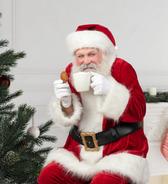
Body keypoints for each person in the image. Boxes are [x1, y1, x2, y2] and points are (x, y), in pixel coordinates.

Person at [37, 24, 149, 184]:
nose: (85, 61)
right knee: (48, 176)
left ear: (104, 53)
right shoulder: (72, 70)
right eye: (80, 55)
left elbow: (139, 110)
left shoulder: (121, 68)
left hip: (118, 152)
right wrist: (66, 102)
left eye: (91, 54)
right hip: (78, 152)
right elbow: (71, 116)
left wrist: (111, 89)